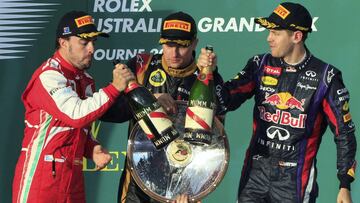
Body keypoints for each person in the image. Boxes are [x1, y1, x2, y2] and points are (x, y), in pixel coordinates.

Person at [198, 2, 357, 203]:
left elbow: (344, 132)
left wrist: (344, 184)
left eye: (275, 32)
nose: (269, 38)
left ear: (296, 36)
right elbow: (226, 101)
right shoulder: (260, 65)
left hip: (295, 179)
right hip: (255, 173)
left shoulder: (326, 77)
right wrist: (211, 74)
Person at [100, 11, 225, 203]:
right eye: (168, 45)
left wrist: (197, 188)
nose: (173, 53)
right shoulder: (141, 66)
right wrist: (149, 100)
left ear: (194, 43)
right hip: (138, 182)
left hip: (183, 184)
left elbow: (215, 137)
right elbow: (108, 111)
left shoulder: (206, 77)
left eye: (181, 46)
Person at [12, 11, 135, 203]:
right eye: (84, 43)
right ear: (63, 43)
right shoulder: (49, 75)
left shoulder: (85, 80)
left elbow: (79, 127)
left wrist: (91, 148)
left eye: (94, 42)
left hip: (73, 176)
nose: (92, 49)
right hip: (41, 177)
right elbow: (76, 115)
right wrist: (114, 88)